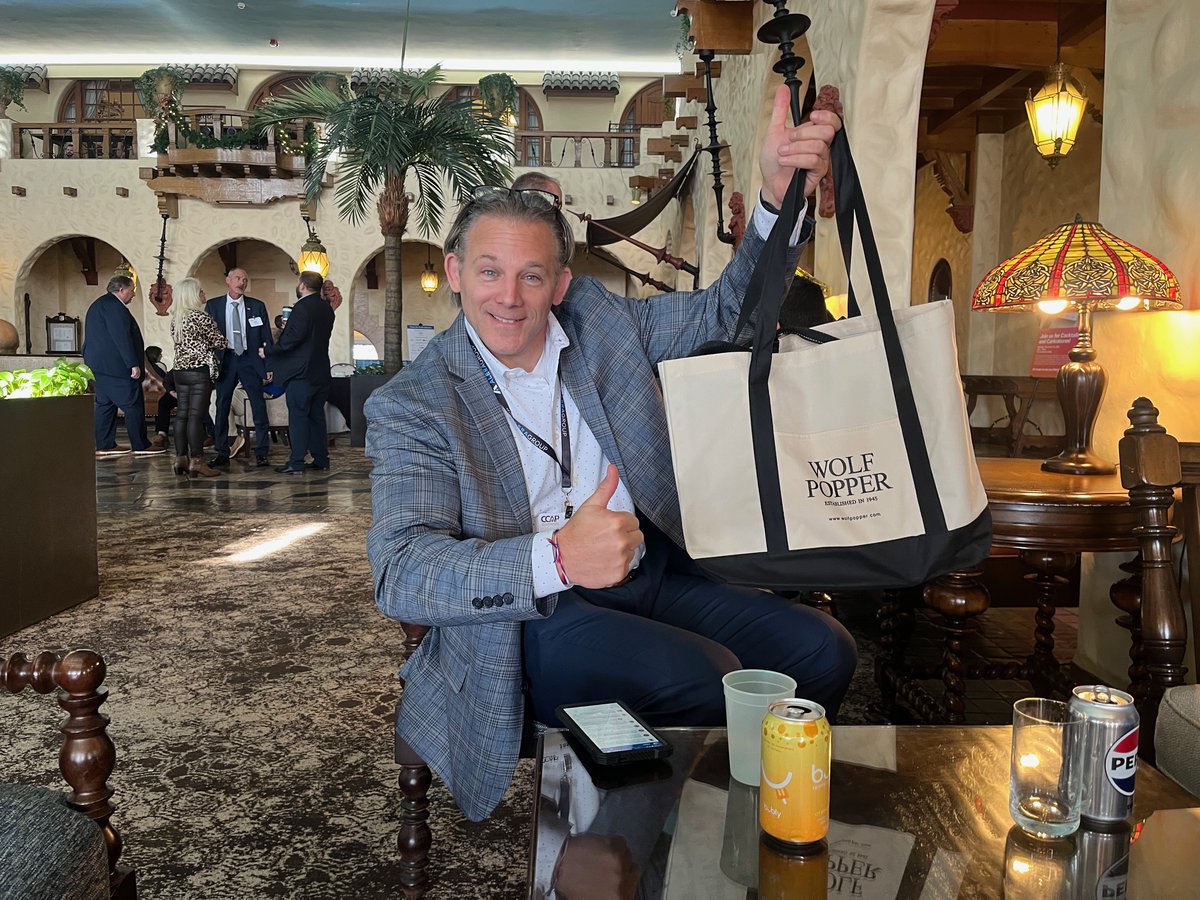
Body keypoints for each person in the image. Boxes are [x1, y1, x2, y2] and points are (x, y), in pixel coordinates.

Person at [365, 93, 854, 823]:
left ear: (560, 283)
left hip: (647, 570)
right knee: (712, 676)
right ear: (456, 270)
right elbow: (402, 572)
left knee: (821, 652)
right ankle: (675, 840)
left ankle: (751, 817)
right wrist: (556, 560)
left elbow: (732, 314)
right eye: (490, 271)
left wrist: (779, 206)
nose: (510, 296)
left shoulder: (602, 321)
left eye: (532, 275)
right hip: (529, 618)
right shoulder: (417, 401)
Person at [262, 271, 335, 474]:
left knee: (299, 417)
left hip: (301, 373)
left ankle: (296, 461)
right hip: (320, 370)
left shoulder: (301, 308)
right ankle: (321, 458)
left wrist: (267, 351)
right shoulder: (326, 308)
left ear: (302, 286)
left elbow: (290, 342)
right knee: (316, 417)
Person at [82, 274, 162, 456]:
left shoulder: (100, 304)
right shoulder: (114, 307)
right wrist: (133, 363)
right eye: (132, 290)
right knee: (133, 404)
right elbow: (121, 337)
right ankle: (141, 445)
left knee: (105, 404)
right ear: (121, 290)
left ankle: (105, 445)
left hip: (99, 367)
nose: (133, 294)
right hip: (116, 368)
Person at [205, 268, 275, 468]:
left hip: (249, 360)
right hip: (225, 359)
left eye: (245, 279)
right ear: (228, 280)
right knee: (221, 406)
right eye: (237, 278)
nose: (242, 282)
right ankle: (222, 451)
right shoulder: (214, 305)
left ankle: (262, 452)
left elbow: (266, 338)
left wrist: (268, 364)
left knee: (258, 406)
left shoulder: (257, 306)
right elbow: (208, 337)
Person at [170, 278, 227, 478]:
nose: (204, 294)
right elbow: (220, 342)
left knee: (182, 415)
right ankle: (197, 461)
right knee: (196, 415)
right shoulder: (200, 317)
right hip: (198, 371)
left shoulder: (177, 317)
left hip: (180, 371)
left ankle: (180, 458)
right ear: (193, 294)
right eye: (201, 291)